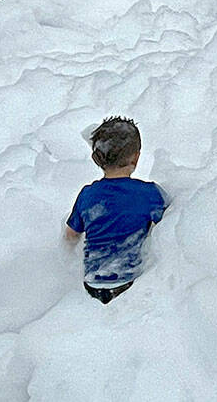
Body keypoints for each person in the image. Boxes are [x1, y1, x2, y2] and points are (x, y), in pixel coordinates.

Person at [64, 117, 168, 304]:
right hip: (128, 283)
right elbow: (169, 224)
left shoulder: (87, 195)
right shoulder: (149, 194)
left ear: (96, 159)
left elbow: (71, 236)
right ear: (136, 157)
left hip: (92, 284)